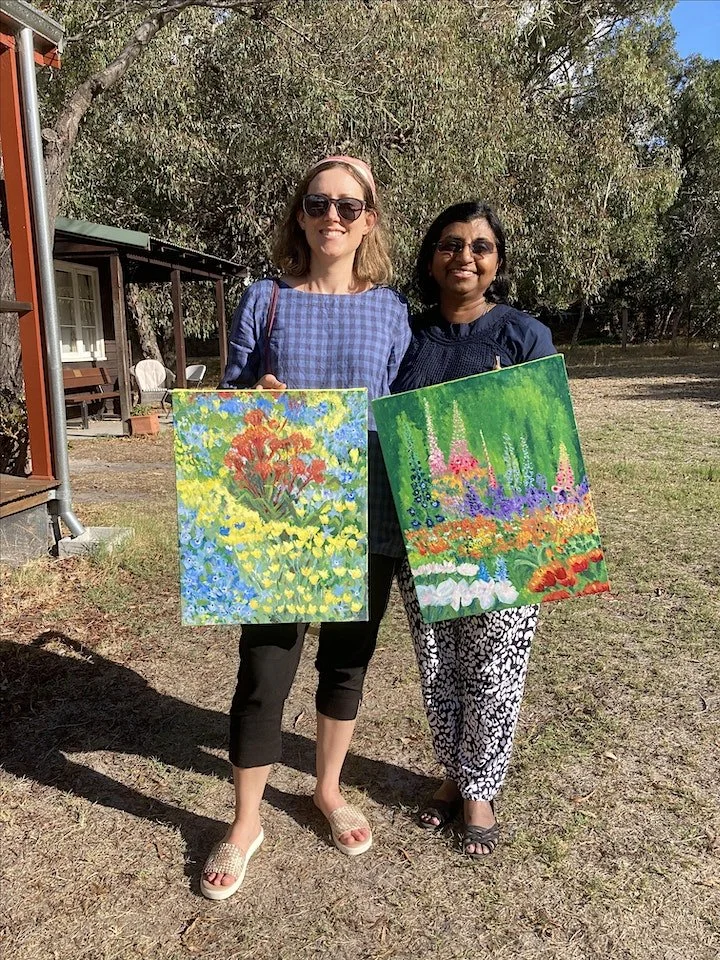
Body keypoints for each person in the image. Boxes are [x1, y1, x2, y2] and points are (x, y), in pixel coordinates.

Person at [201, 157, 411, 899]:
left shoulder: (390, 309)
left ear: (369, 221)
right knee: (264, 669)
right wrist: (251, 395)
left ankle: (327, 788)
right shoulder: (266, 300)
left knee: (346, 662)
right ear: (300, 214)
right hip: (278, 517)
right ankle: (245, 823)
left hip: (366, 511)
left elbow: (402, 405)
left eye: (349, 206)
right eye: (319, 203)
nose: (333, 217)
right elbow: (226, 398)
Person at [392, 201, 556, 858]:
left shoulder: (523, 335)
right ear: (432, 258)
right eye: (451, 244)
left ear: (497, 262)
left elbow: (548, 435)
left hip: (505, 532)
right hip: (424, 531)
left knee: (494, 667)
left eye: (480, 246)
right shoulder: (407, 336)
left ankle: (480, 790)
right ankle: (453, 774)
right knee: (439, 662)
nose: (465, 256)